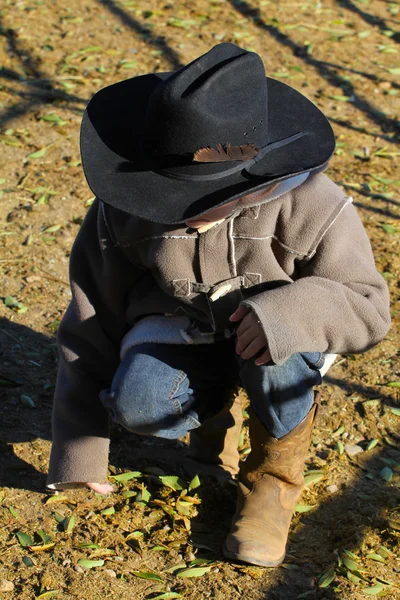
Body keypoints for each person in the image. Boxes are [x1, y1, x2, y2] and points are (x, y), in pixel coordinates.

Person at [47, 43, 391, 567]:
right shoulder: (123, 214)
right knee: (140, 405)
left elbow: (370, 308)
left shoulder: (313, 205)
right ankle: (212, 416)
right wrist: (79, 447)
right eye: (167, 195)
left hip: (278, 348)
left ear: (257, 182)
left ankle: (272, 484)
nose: (181, 215)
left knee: (275, 360)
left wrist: (285, 314)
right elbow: (90, 320)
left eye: (207, 200)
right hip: (183, 330)